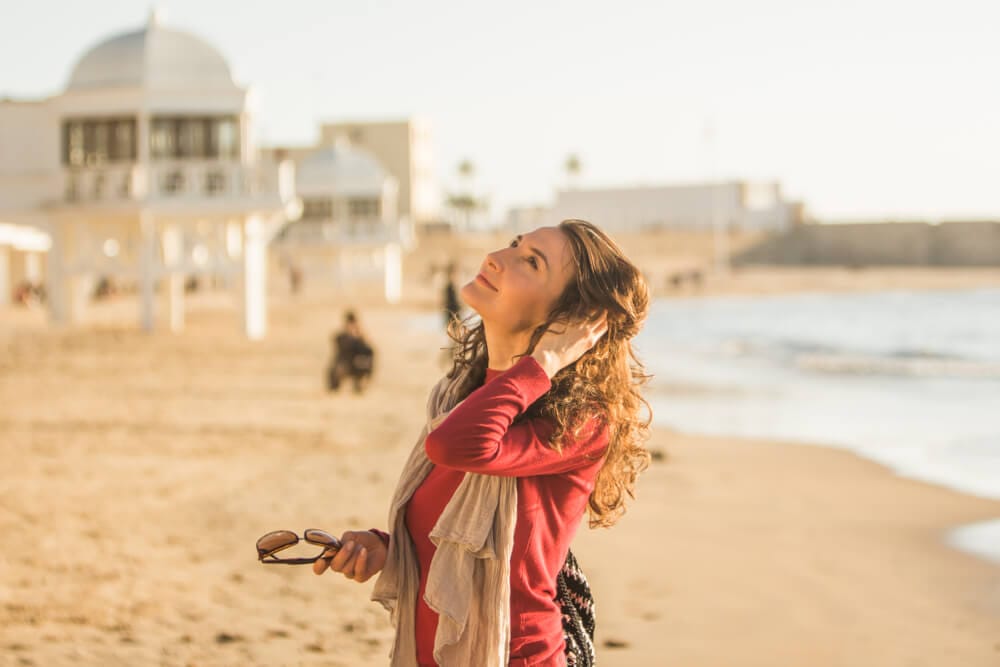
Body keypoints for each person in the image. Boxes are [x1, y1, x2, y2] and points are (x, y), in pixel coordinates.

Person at [313, 220, 651, 666]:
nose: (496, 257)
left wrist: (545, 360)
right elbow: (459, 541)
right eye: (514, 244)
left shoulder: (577, 422)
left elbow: (457, 447)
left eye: (532, 262)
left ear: (569, 321)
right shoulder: (461, 396)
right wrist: (390, 549)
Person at [326, 310, 375, 394]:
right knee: (336, 369)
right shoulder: (341, 336)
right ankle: (335, 387)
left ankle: (359, 386)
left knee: (363, 364)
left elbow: (369, 351)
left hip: (356, 365)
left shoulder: (360, 337)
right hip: (344, 364)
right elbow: (341, 347)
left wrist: (359, 337)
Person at [442, 262, 462, 331]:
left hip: (454, 311)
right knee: (453, 329)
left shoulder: (453, 285)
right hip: (451, 311)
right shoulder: (448, 287)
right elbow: (446, 301)